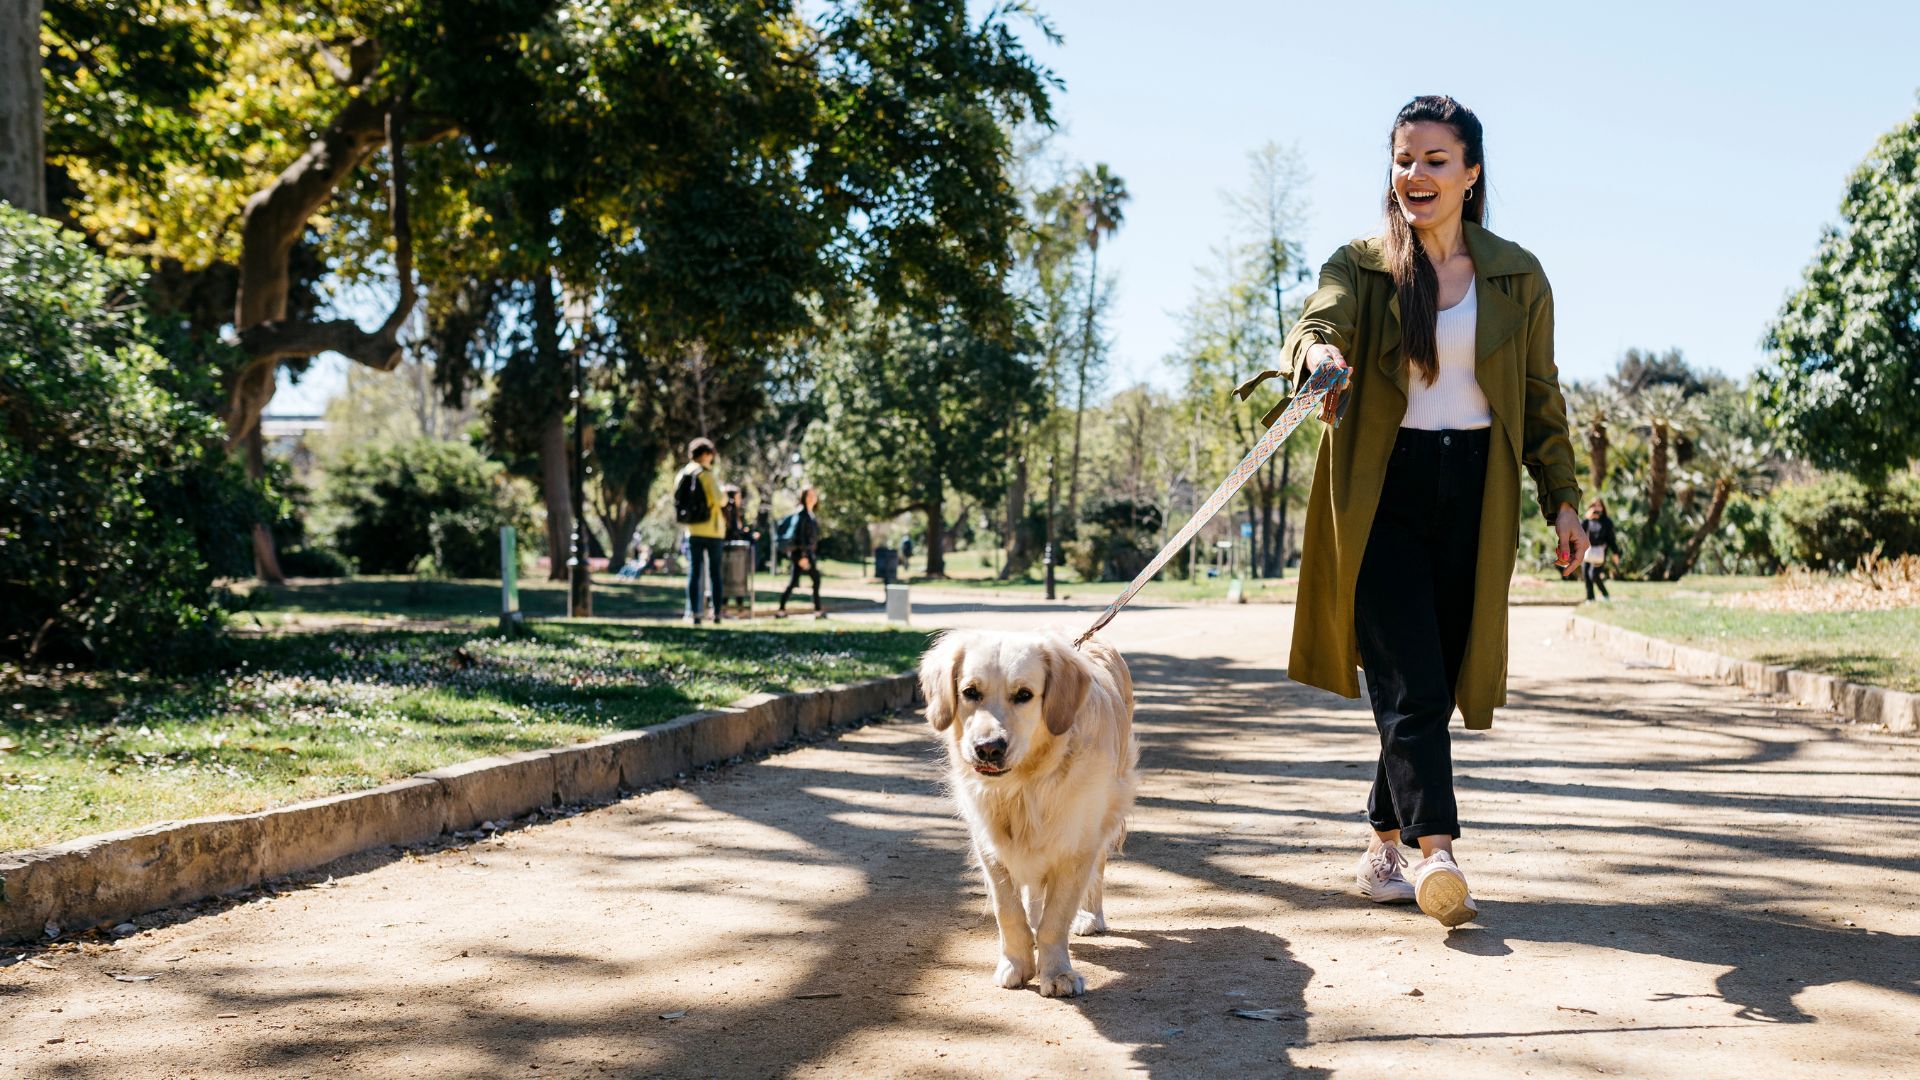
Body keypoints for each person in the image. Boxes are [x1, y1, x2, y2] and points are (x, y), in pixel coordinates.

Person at [1256, 96, 1587, 927]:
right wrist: (1318, 354)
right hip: (1382, 492)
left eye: (1436, 161)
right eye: (1404, 160)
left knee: (1425, 686)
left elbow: (1542, 398)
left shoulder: (1517, 275)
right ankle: (1438, 854)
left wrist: (1565, 500)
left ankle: (1380, 848)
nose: (1416, 176)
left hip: (1478, 494)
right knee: (1408, 676)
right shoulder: (1361, 265)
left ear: (1472, 174)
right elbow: (1316, 321)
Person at [675, 438, 726, 625]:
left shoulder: (682, 474)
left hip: (692, 530)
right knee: (715, 573)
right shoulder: (706, 475)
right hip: (712, 530)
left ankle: (694, 612)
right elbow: (719, 500)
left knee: (694, 572)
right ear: (705, 455)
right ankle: (717, 612)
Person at [776, 486, 825, 619]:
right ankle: (818, 611)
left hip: (806, 554)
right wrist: (803, 556)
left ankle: (781, 610)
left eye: (814, 495)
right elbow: (800, 537)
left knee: (793, 582)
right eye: (809, 495)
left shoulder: (809, 514)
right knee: (816, 580)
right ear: (804, 498)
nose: (812, 498)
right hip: (803, 555)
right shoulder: (802, 515)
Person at [1581, 498, 1621, 602]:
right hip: (1587, 551)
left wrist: (1615, 553)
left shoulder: (1606, 522)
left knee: (1593, 574)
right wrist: (1586, 518)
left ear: (1603, 507)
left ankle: (1605, 595)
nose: (1596, 508)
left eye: (1599, 505)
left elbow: (1611, 539)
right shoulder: (1587, 520)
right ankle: (1590, 599)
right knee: (1586, 574)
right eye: (1594, 505)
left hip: (1600, 552)